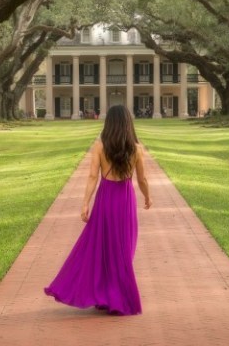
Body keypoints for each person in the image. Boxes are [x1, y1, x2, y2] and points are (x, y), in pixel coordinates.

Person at [44, 105, 152, 315]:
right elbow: (142, 179)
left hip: (105, 199)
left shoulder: (100, 146)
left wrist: (85, 203)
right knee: (124, 248)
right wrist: (148, 196)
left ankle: (105, 296)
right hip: (126, 200)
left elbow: (93, 176)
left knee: (102, 248)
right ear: (129, 123)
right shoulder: (137, 149)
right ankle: (116, 297)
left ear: (108, 123)